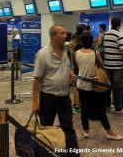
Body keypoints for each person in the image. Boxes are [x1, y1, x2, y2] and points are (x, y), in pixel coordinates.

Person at [32, 24, 79, 157]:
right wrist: (35, 102)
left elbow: (70, 68)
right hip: (48, 98)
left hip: (64, 97)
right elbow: (37, 80)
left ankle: (73, 155)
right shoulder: (42, 54)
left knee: (68, 129)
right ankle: (47, 154)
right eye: (62, 33)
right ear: (53, 36)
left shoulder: (68, 52)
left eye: (65, 33)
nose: (65, 35)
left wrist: (71, 74)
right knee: (47, 129)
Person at [75, 32, 123, 140]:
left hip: (81, 84)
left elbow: (78, 67)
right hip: (94, 85)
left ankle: (86, 131)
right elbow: (102, 65)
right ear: (92, 41)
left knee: (84, 108)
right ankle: (109, 132)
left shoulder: (77, 53)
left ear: (82, 41)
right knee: (101, 110)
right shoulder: (95, 53)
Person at [103, 16, 123, 113]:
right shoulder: (120, 35)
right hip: (118, 66)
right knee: (117, 87)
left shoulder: (106, 34)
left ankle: (107, 105)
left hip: (107, 64)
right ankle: (118, 107)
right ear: (119, 25)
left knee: (107, 86)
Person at [68, 24, 87, 114]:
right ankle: (78, 106)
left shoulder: (73, 40)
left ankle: (75, 105)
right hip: (77, 67)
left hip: (74, 66)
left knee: (75, 87)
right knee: (78, 87)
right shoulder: (79, 44)